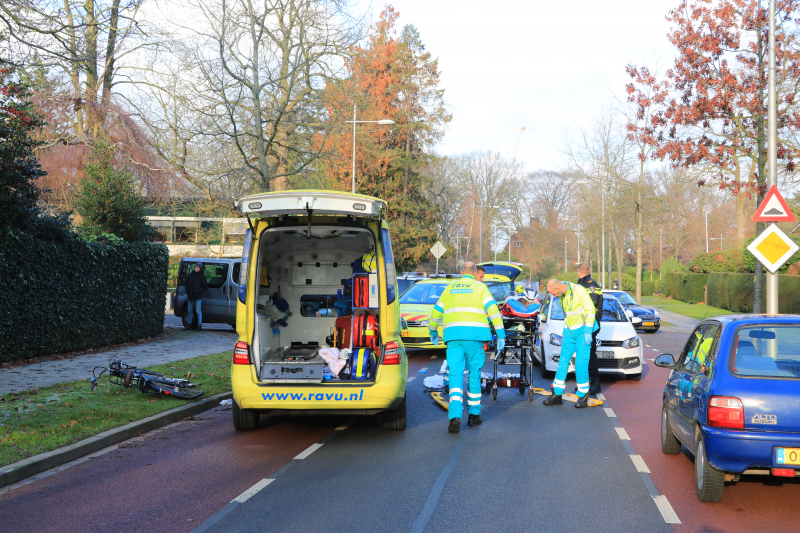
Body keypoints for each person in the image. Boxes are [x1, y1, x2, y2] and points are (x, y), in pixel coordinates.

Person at [429, 262, 505, 433]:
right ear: (476, 272)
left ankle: (455, 415)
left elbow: (436, 311)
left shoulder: (450, 288)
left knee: (455, 375)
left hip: (453, 337)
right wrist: (501, 336)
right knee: (474, 375)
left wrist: (432, 331)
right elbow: (493, 311)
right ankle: (473, 415)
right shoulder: (480, 287)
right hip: (476, 338)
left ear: (461, 272)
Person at [542, 279, 598, 408]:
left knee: (580, 364)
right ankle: (557, 394)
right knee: (562, 362)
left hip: (583, 332)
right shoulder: (563, 295)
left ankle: (583, 395)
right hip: (569, 333)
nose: (554, 297)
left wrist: (588, 331)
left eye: (554, 294)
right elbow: (568, 315)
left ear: (558, 288)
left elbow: (590, 310)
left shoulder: (578, 290)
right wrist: (566, 330)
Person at [577, 263, 603, 394]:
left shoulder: (590, 284)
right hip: (584, 323)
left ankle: (595, 383)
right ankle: (585, 383)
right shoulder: (583, 284)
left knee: (590, 354)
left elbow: (591, 305)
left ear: (579, 272)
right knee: (584, 354)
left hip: (591, 323)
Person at [185, 263, 208, 330]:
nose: (196, 268)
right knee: (189, 310)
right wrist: (188, 290)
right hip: (190, 295)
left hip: (198, 295)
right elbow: (187, 283)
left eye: (198, 267)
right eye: (195, 267)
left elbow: (205, 287)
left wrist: (198, 290)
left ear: (200, 269)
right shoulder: (190, 275)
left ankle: (199, 325)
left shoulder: (202, 277)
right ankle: (189, 324)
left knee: (198, 311)